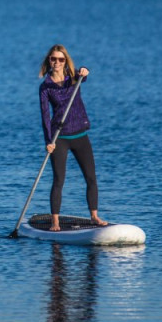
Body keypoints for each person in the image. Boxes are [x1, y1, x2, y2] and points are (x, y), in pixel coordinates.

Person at [39, 44, 107, 231]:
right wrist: (48, 141)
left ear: (65, 61)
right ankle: (55, 221)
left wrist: (85, 70)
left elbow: (84, 74)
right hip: (59, 138)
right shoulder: (45, 87)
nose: (57, 62)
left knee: (91, 178)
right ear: (49, 61)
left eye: (61, 59)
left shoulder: (74, 78)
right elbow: (45, 115)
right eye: (54, 59)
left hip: (80, 135)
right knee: (59, 180)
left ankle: (94, 216)